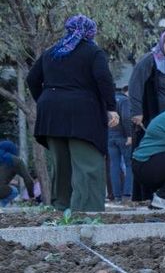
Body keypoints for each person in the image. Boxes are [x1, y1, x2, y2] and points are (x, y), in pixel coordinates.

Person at [25, 14, 119, 212]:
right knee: (88, 163)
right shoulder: (93, 52)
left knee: (61, 165)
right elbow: (103, 79)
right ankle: (87, 211)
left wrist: (45, 101)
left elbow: (32, 79)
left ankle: (62, 207)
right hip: (83, 114)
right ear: (90, 32)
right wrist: (111, 108)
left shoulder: (52, 52)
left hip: (51, 114)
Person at [108, 85, 133, 201]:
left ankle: (116, 194)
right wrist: (129, 135)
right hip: (123, 136)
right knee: (129, 164)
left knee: (114, 165)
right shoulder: (125, 100)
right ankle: (127, 193)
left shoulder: (108, 101)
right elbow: (126, 117)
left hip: (109, 136)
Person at [0, 140, 36, 207]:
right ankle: (1, 206)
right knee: (15, 191)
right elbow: (28, 181)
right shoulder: (15, 160)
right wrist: (31, 196)